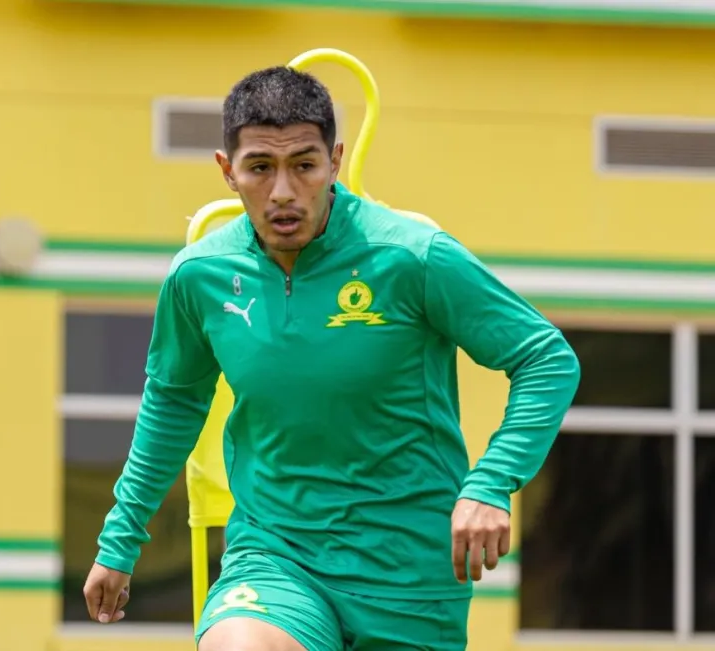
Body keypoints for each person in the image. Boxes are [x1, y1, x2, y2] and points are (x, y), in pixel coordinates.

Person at [82, 65, 581, 651]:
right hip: (275, 555)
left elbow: (546, 359)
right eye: (260, 168)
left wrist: (491, 485)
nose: (284, 192)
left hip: (408, 574)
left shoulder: (412, 256)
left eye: (305, 165)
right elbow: (173, 400)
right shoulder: (200, 275)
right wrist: (121, 538)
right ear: (227, 171)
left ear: (335, 160)